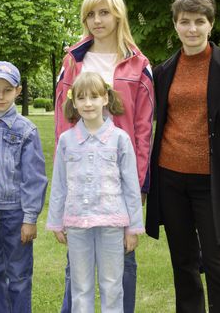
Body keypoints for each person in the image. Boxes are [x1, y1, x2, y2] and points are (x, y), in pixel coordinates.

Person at [146, 0, 220, 313]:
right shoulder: (163, 71)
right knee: (184, 266)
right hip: (170, 179)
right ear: (175, 25)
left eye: (199, 21)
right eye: (184, 22)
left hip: (212, 181)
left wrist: (213, 147)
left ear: (211, 24)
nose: (191, 29)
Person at [54, 0, 154, 313]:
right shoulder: (73, 61)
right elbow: (61, 124)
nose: (97, 20)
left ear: (118, 15)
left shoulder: (139, 64)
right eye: (90, 14)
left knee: (121, 264)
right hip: (81, 181)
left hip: (117, 179)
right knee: (78, 269)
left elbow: (142, 129)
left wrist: (137, 184)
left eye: (104, 13)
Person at [47, 72, 144, 313]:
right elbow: (59, 183)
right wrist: (56, 221)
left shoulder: (120, 140)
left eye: (94, 96)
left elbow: (131, 186)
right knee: (81, 287)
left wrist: (133, 228)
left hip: (112, 223)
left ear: (105, 99)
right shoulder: (67, 141)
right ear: (74, 102)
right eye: (81, 98)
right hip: (77, 224)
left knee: (112, 286)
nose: (88, 103)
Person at [0, 61, 48, 312]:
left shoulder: (26, 130)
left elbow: (34, 178)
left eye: (7, 89)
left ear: (18, 91)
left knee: (19, 274)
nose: (1, 96)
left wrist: (30, 218)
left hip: (14, 213)